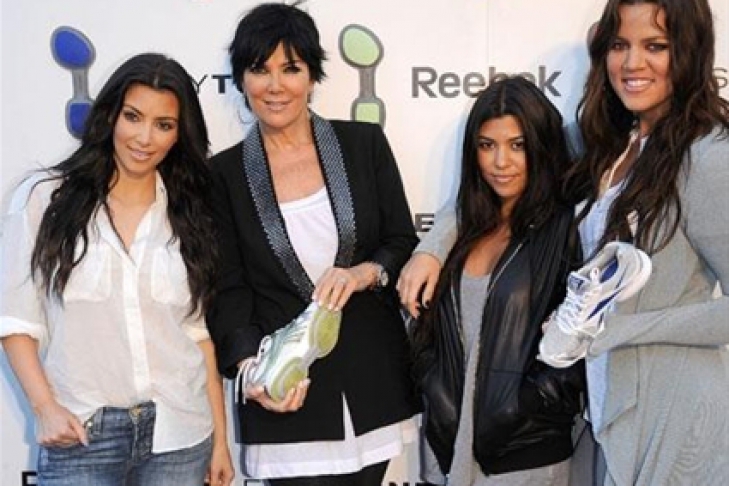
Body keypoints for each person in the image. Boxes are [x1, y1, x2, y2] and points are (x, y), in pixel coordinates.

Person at [400, 0, 729, 484]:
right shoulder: (600, 140)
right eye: (620, 45)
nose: (633, 63)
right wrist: (432, 247)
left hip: (678, 414)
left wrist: (613, 329)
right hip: (607, 412)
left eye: (655, 46)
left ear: (690, 50)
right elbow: (486, 185)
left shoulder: (709, 155)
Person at [204, 2, 421, 485]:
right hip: (285, 394)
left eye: (291, 68)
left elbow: (400, 241)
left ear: (312, 76)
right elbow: (228, 289)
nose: (275, 86)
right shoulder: (224, 174)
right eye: (259, 69)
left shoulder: (363, 145)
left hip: (369, 384)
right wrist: (252, 372)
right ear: (241, 79)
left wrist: (362, 274)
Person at [0, 53, 234, 486]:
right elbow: (16, 321)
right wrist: (44, 408)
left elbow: (198, 335)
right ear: (110, 116)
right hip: (81, 433)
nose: (144, 138)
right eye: (133, 117)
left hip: (180, 434)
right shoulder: (46, 199)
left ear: (179, 134)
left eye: (164, 124)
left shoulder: (188, 213)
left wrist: (221, 441)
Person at [407, 76, 585, 486]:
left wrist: (528, 404)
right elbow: (428, 331)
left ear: (541, 146)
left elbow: (581, 337)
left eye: (517, 145)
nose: (500, 162)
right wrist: (432, 385)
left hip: (525, 458)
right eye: (487, 145)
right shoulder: (461, 230)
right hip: (445, 451)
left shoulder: (566, 228)